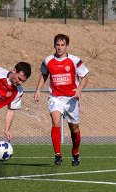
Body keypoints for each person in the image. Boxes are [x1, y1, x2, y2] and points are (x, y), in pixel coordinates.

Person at [34, 34, 89, 166]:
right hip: (55, 97)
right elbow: (44, 75)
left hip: (71, 99)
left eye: (62, 45)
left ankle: (75, 152)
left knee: (74, 129)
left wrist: (79, 89)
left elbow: (85, 77)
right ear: (54, 45)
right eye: (57, 45)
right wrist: (38, 90)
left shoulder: (74, 60)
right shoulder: (48, 60)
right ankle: (58, 154)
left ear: (67, 46)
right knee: (55, 121)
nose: (59, 48)